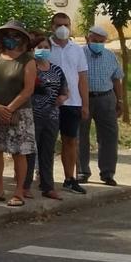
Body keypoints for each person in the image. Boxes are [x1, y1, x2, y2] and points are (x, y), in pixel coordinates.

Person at [0, 20, 38, 207]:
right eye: (7, 35)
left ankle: (19, 192)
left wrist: (9, 109)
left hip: (19, 114)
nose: (10, 39)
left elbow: (28, 89)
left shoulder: (28, 60)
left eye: (15, 35)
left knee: (19, 153)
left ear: (22, 39)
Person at [50, 12, 91, 193]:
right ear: (52, 26)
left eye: (66, 25)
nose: (63, 29)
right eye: (59, 25)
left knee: (70, 141)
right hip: (50, 103)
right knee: (46, 141)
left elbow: (82, 78)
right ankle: (44, 178)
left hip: (72, 103)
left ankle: (69, 178)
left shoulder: (77, 50)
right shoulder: (45, 47)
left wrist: (85, 104)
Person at [80, 25, 125, 186]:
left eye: (101, 41)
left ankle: (107, 173)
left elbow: (116, 79)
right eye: (94, 41)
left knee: (109, 137)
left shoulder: (110, 56)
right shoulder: (79, 54)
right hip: (83, 99)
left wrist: (120, 101)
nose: (97, 44)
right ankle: (82, 171)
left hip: (106, 99)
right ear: (87, 39)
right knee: (81, 135)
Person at [24, 36, 68, 199]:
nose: (43, 49)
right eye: (39, 47)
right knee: (30, 152)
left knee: (48, 151)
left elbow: (65, 91)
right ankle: (25, 186)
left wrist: (62, 98)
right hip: (32, 115)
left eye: (46, 47)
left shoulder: (57, 70)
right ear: (32, 50)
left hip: (52, 116)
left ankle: (48, 186)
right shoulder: (29, 68)